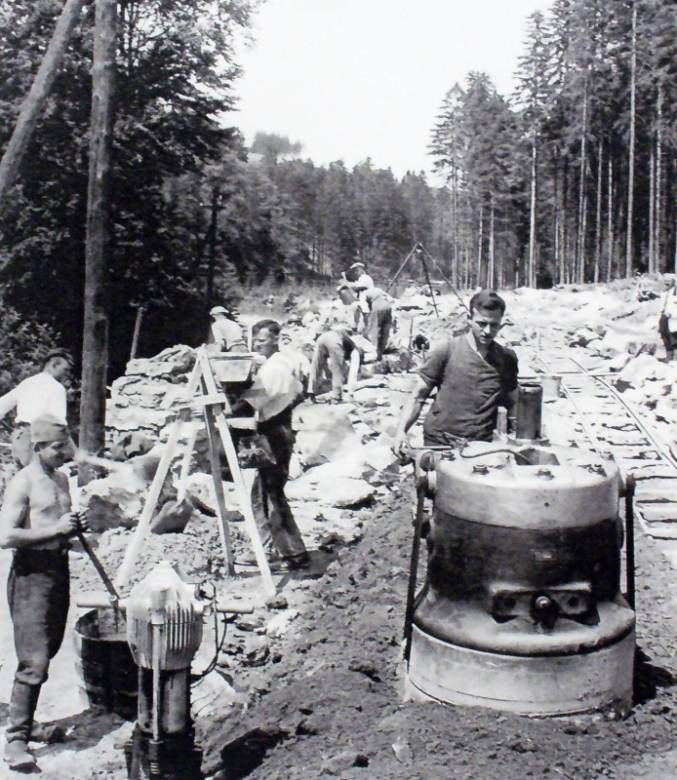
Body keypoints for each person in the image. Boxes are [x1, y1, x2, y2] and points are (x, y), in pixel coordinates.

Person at [0, 415, 81, 770]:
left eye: (66, 445)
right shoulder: (23, 483)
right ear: (37, 447)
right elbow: (5, 536)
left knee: (48, 649)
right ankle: (16, 741)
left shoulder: (60, 478)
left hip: (57, 571)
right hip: (31, 575)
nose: (65, 453)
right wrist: (56, 530)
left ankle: (27, 721)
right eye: (57, 447)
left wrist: (74, 530)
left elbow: (60, 527)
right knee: (34, 660)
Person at [393, 290, 518, 454]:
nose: (487, 331)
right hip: (440, 442)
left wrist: (515, 434)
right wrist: (401, 432)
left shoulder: (506, 358)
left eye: (494, 325)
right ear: (469, 319)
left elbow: (513, 402)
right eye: (481, 323)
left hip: (480, 446)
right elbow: (418, 396)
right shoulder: (447, 350)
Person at [232, 319, 310, 571]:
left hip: (275, 432)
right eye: (255, 341)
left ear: (276, 339)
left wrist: (225, 409)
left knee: (268, 495)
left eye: (263, 340)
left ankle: (280, 552)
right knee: (267, 493)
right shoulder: (283, 363)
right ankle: (285, 549)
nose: (258, 345)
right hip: (278, 427)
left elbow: (250, 403)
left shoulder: (274, 369)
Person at [0, 349, 73, 467]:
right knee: (42, 475)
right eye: (65, 370)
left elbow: (2, 405)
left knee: (23, 475)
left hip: (20, 438)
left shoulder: (27, 383)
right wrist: (73, 450)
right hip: (40, 441)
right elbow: (59, 422)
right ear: (54, 365)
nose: (67, 374)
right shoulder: (57, 388)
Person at [341, 261, 374, 332]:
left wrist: (350, 286)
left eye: (357, 271)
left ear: (361, 270)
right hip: (363, 298)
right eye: (355, 271)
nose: (356, 273)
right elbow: (356, 286)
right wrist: (349, 284)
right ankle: (355, 327)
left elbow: (359, 288)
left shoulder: (365, 277)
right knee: (357, 310)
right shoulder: (361, 278)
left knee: (365, 313)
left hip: (367, 299)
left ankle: (367, 329)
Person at [364, 286, 394, 360]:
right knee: (385, 329)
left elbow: (368, 307)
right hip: (387, 306)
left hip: (377, 306)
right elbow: (391, 299)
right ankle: (382, 350)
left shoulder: (366, 293)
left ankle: (377, 353)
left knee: (376, 330)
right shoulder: (379, 289)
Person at [658, 278, 677, 362]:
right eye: (666, 282)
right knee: (663, 333)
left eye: (669, 281)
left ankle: (674, 357)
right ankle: (669, 356)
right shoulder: (665, 292)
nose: (667, 283)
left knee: (673, 335)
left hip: (673, 316)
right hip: (664, 314)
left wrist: (673, 313)